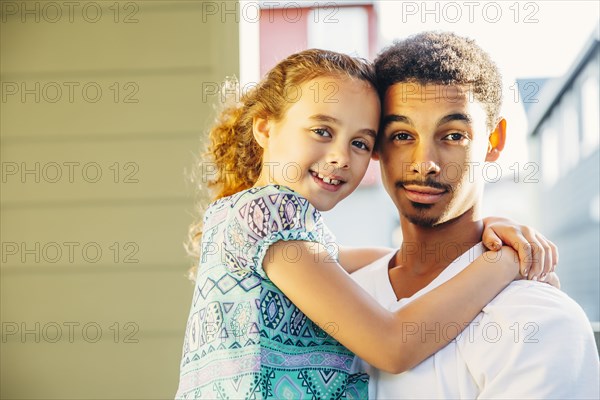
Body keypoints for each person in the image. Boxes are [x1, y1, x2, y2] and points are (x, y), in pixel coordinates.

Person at [175, 49, 557, 400]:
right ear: (265, 128)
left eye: (360, 143)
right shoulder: (268, 215)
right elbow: (393, 346)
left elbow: (377, 259)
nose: (341, 156)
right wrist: (505, 261)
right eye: (322, 131)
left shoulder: (254, 222)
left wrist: (482, 232)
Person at [350, 31, 600, 399]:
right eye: (402, 135)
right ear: (374, 143)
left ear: (494, 141)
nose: (425, 164)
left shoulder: (538, 318)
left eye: (453, 136)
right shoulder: (340, 297)